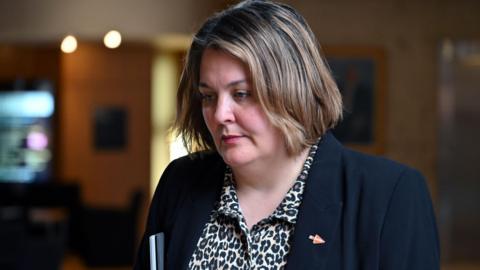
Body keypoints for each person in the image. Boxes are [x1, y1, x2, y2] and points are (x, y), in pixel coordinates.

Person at [133, 0, 440, 269]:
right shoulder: (180, 183)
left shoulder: (389, 195)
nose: (219, 114)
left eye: (241, 94)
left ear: (292, 92)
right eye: (209, 96)